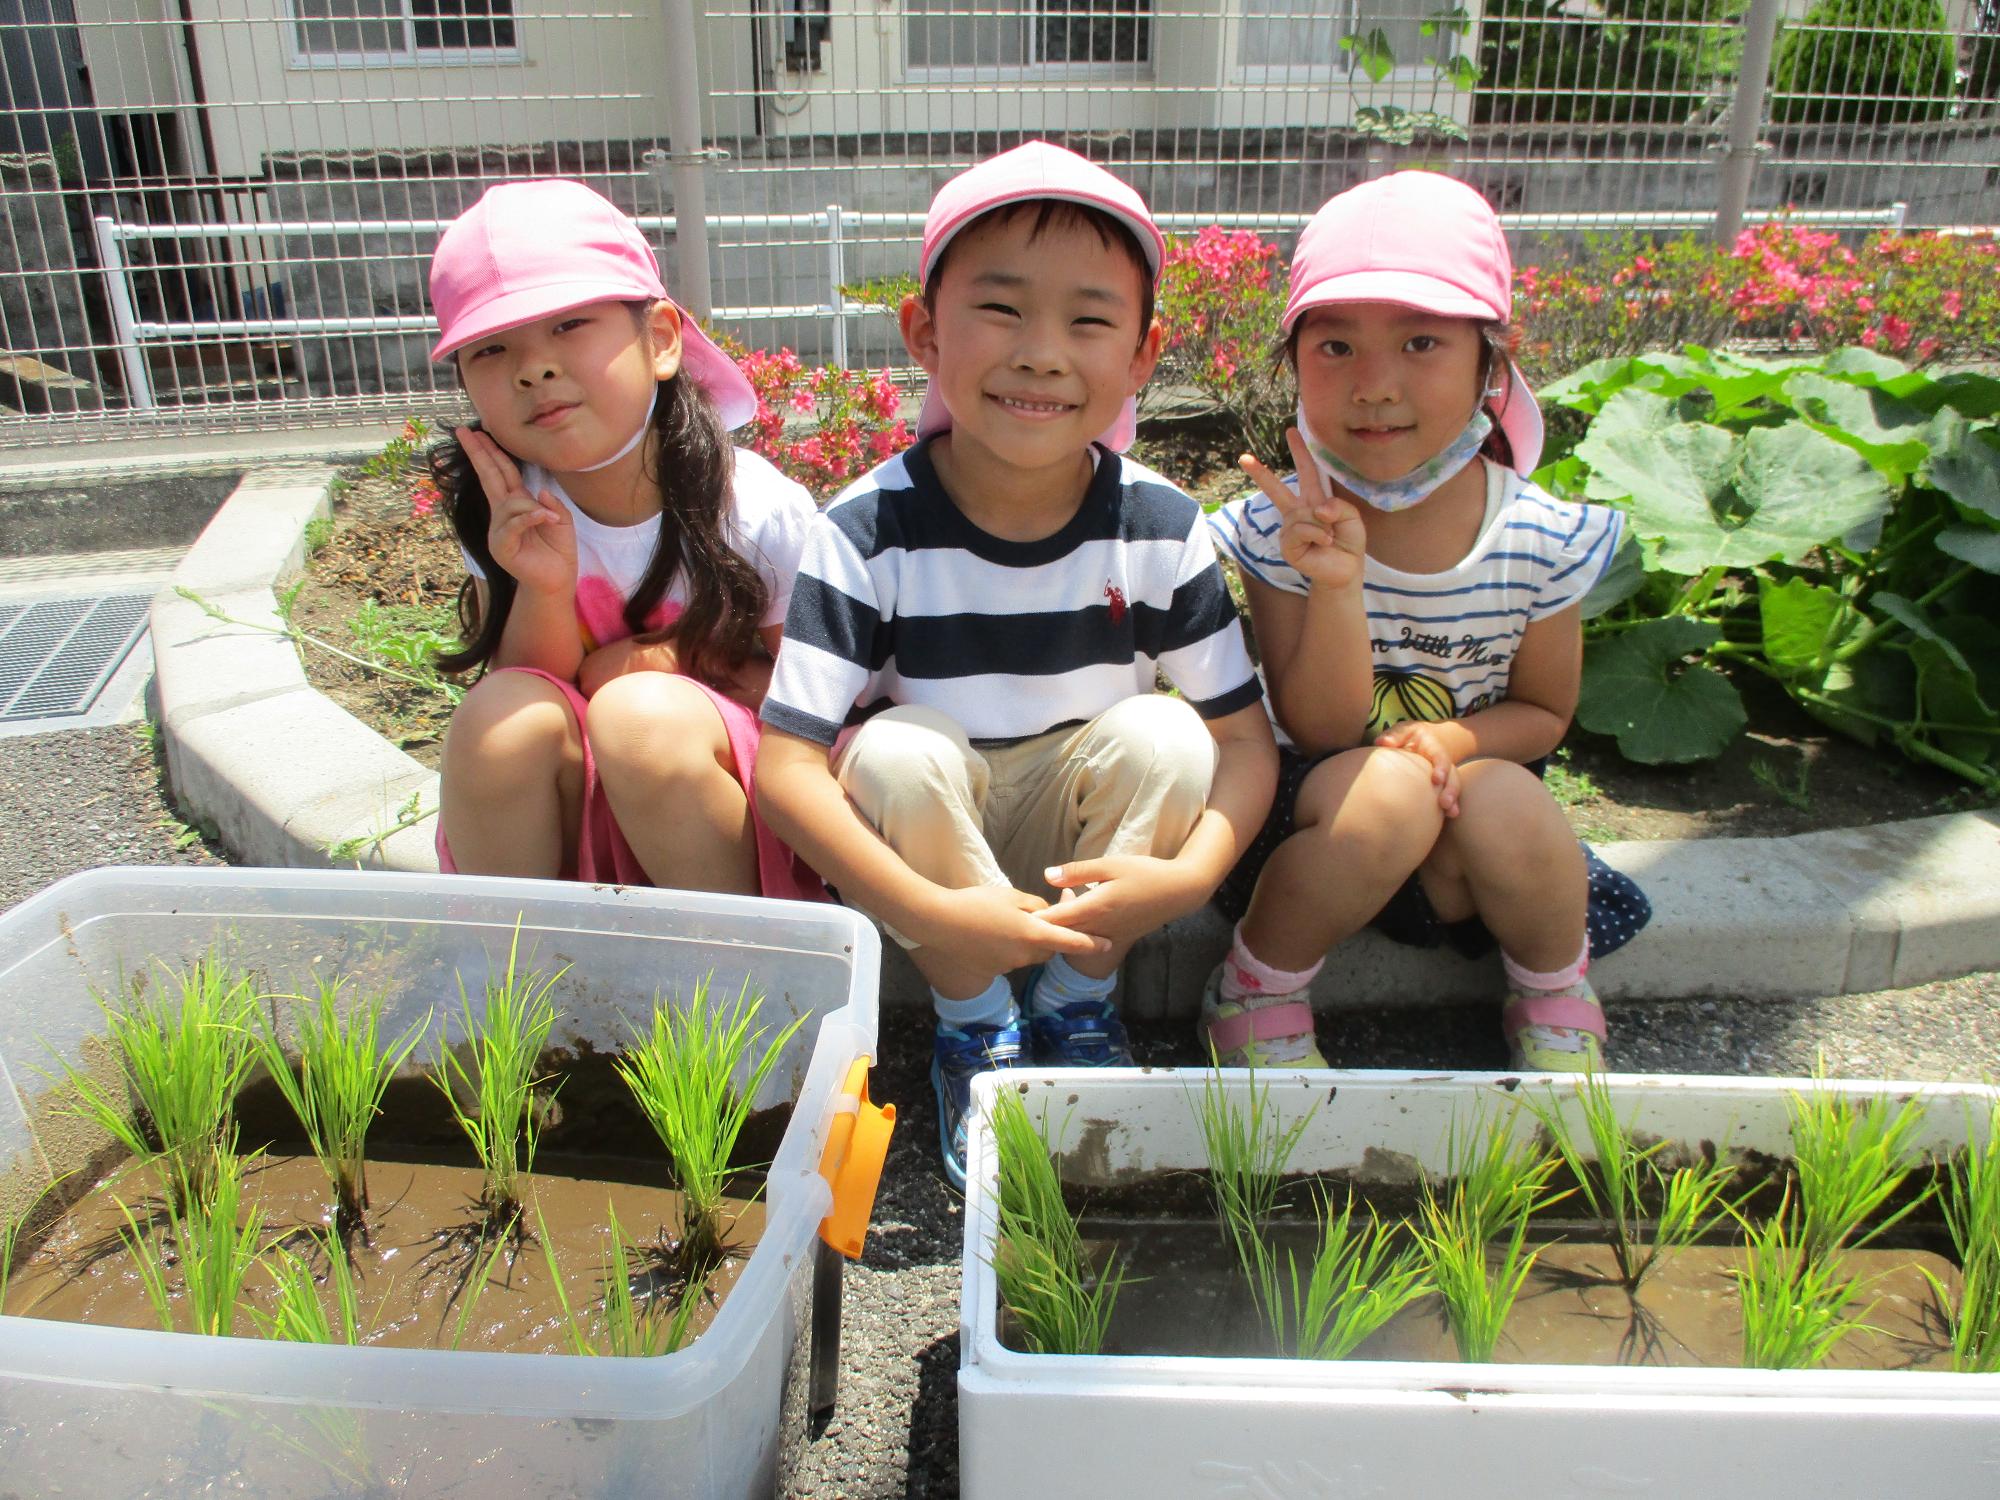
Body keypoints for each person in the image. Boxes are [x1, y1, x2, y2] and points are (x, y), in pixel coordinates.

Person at [756, 141, 1278, 1185]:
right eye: (1000, 310)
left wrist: (1188, 876)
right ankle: (973, 1021)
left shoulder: (1157, 526)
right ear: (922, 333)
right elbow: (784, 768)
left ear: (1140, 356)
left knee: (1168, 732)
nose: (1042, 353)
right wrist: (931, 916)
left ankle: (1077, 1004)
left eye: (1088, 321)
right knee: (896, 748)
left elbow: (1240, 743)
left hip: (1074, 825)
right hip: (936, 824)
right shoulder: (867, 530)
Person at [1206, 172, 1650, 1074]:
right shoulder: (1282, 530)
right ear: (1293, 362)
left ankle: (1554, 991)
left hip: (1473, 824)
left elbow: (1543, 715)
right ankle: (1257, 987)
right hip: (1324, 828)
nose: (1374, 386)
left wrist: (1451, 738)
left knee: (1512, 799)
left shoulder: (1539, 535)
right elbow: (1322, 729)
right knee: (1391, 795)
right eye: (1333, 347)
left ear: (1492, 362)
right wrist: (1334, 582)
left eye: (1420, 343)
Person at [426, 178, 821, 902]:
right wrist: (543, 586)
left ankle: (739, 979)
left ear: (662, 339)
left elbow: (814, 703)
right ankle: (530, 983)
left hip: (726, 807)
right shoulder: (508, 507)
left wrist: (656, 663)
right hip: (591, 815)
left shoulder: (755, 507)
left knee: (638, 718)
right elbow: (528, 690)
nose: (533, 367)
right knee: (496, 723)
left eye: (571, 325)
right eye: (490, 349)